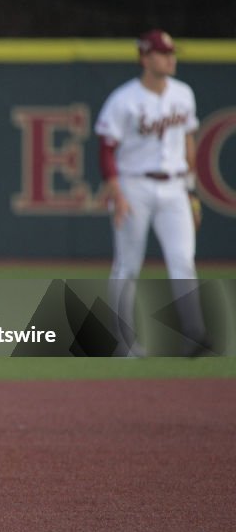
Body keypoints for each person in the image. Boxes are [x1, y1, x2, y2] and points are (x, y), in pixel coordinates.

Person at [94, 29, 210, 356]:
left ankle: (194, 335)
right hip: (134, 185)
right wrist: (116, 190)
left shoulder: (183, 94)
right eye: (162, 53)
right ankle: (123, 341)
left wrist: (191, 192)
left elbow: (188, 142)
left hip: (175, 186)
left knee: (183, 260)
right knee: (128, 265)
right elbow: (106, 149)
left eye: (172, 53)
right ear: (145, 58)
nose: (170, 59)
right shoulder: (124, 99)